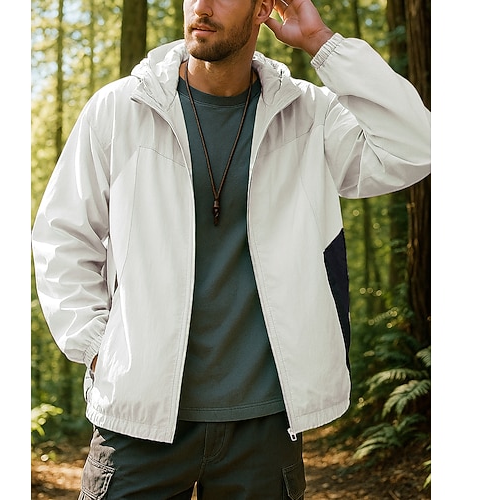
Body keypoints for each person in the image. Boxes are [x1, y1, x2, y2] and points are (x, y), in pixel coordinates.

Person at [32, 0, 431, 497]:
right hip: (138, 415)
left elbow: (416, 146)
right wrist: (98, 348)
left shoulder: (309, 115)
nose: (200, 6)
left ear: (264, 8)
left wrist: (322, 44)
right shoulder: (120, 109)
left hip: (264, 422)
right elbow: (63, 235)